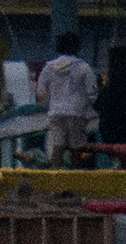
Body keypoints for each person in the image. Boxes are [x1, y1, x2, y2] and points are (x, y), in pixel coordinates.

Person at [37, 30, 98, 164]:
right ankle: (74, 177)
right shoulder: (83, 67)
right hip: (76, 113)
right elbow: (92, 93)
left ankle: (55, 176)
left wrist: (51, 104)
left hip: (55, 113)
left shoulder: (49, 67)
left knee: (57, 146)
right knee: (77, 148)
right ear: (77, 47)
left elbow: (41, 92)